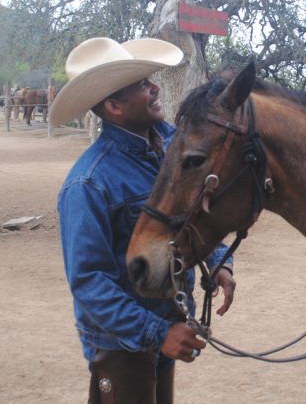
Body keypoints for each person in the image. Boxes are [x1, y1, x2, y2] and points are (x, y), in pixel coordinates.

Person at [52, 37, 236, 404]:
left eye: (150, 78)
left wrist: (219, 262)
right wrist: (157, 332)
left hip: (164, 321)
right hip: (121, 340)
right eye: (141, 84)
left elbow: (191, 217)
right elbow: (89, 282)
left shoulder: (173, 147)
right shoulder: (89, 183)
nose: (155, 87)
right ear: (114, 106)